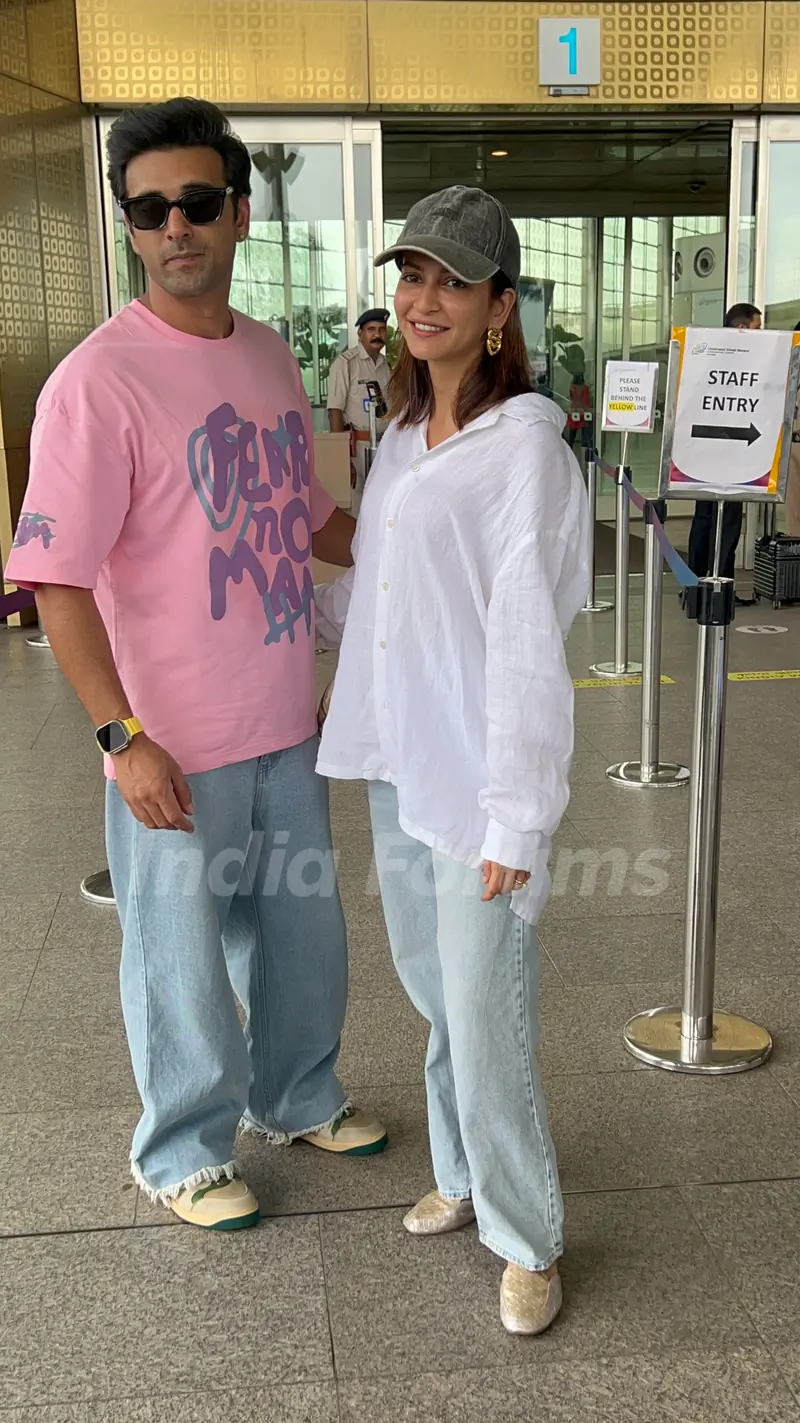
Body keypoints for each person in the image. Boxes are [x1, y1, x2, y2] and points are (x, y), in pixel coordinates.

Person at [5, 98, 386, 1232]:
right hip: (168, 739)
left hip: (283, 719)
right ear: (130, 225)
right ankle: (179, 1150)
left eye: (198, 203)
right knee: (177, 962)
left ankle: (296, 1092)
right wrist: (121, 737)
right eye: (150, 209)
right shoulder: (95, 380)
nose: (177, 226)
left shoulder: (268, 354)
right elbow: (55, 578)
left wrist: (419, 541)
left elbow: (305, 514)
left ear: (240, 211)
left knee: (300, 938)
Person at [316, 186, 590, 1334]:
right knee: (435, 995)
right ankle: (461, 1172)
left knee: (485, 1017)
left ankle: (526, 1237)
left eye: (449, 280)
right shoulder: (398, 436)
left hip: (478, 780)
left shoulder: (518, 452)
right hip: (397, 760)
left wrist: (517, 819)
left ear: (498, 306)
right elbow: (384, 595)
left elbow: (530, 637)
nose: (420, 299)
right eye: (409, 275)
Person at [686, 302, 762, 601]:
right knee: (726, 520)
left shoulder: (708, 352)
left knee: (705, 516)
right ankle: (720, 590)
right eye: (758, 327)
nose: (762, 334)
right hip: (728, 450)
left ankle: (695, 587)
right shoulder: (741, 358)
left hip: (706, 450)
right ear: (742, 328)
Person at [327, 309, 392, 510]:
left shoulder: (385, 365)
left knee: (380, 508)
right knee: (356, 510)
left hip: (383, 446)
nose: (377, 334)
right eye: (371, 329)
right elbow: (334, 410)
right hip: (357, 449)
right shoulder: (345, 364)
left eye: (381, 330)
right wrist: (341, 458)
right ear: (360, 334)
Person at [566, 371, 592, 456]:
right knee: (585, 433)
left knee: (572, 433)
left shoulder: (572, 387)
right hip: (583, 411)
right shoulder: (585, 388)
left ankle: (569, 449)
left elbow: (571, 398)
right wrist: (589, 409)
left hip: (574, 410)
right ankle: (586, 450)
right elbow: (586, 400)